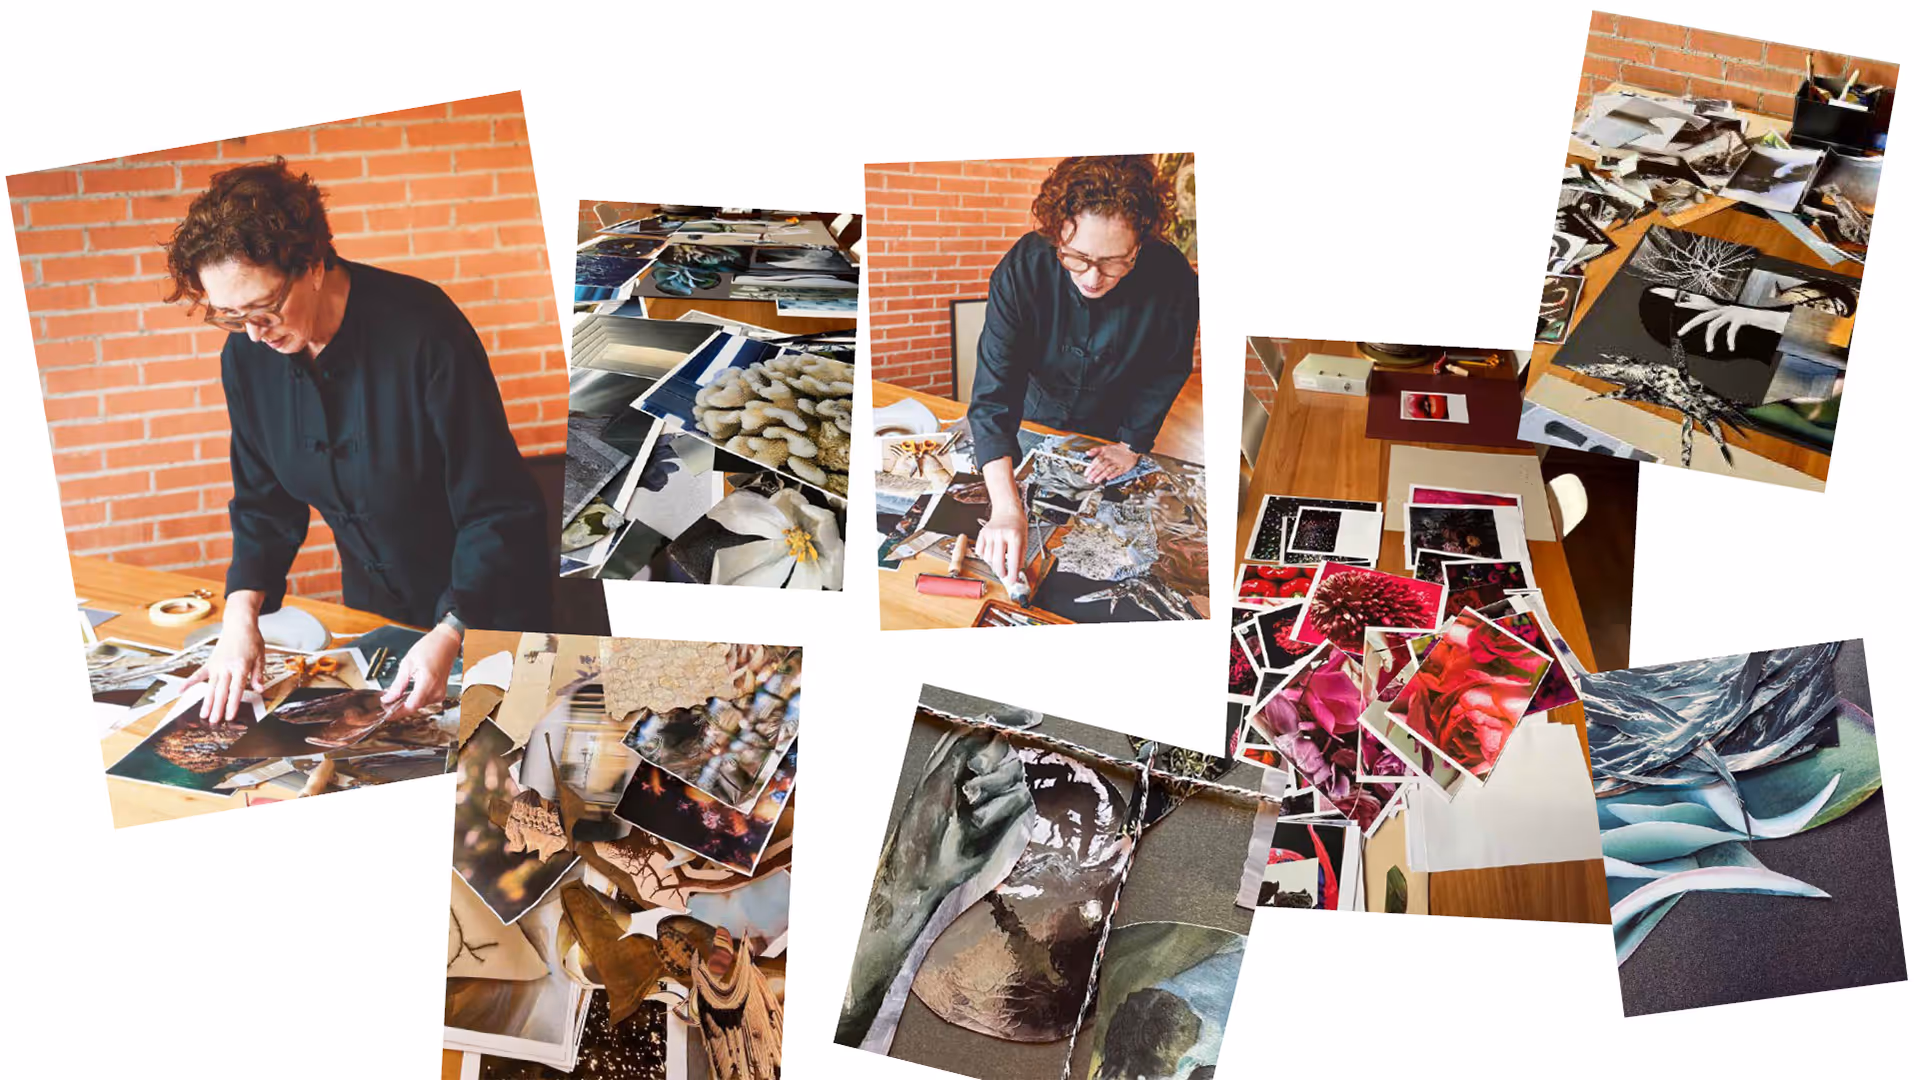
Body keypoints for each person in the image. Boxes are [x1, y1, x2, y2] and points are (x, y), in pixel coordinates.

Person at [164, 159, 552, 724]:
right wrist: (239, 618)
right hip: (378, 606)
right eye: (229, 316)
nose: (252, 333)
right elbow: (263, 504)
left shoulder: (424, 329)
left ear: (314, 265)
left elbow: (495, 505)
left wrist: (453, 629)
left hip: (488, 600)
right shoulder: (247, 357)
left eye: (264, 309)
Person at [966, 155, 1200, 584]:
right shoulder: (1023, 269)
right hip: (1037, 409)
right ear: (1058, 232)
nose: (1093, 279)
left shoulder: (1174, 279)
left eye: (1115, 261)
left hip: (1113, 418)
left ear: (1141, 243)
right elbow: (993, 393)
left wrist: (1132, 443)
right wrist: (1004, 507)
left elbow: (1168, 368)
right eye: (1076, 257)